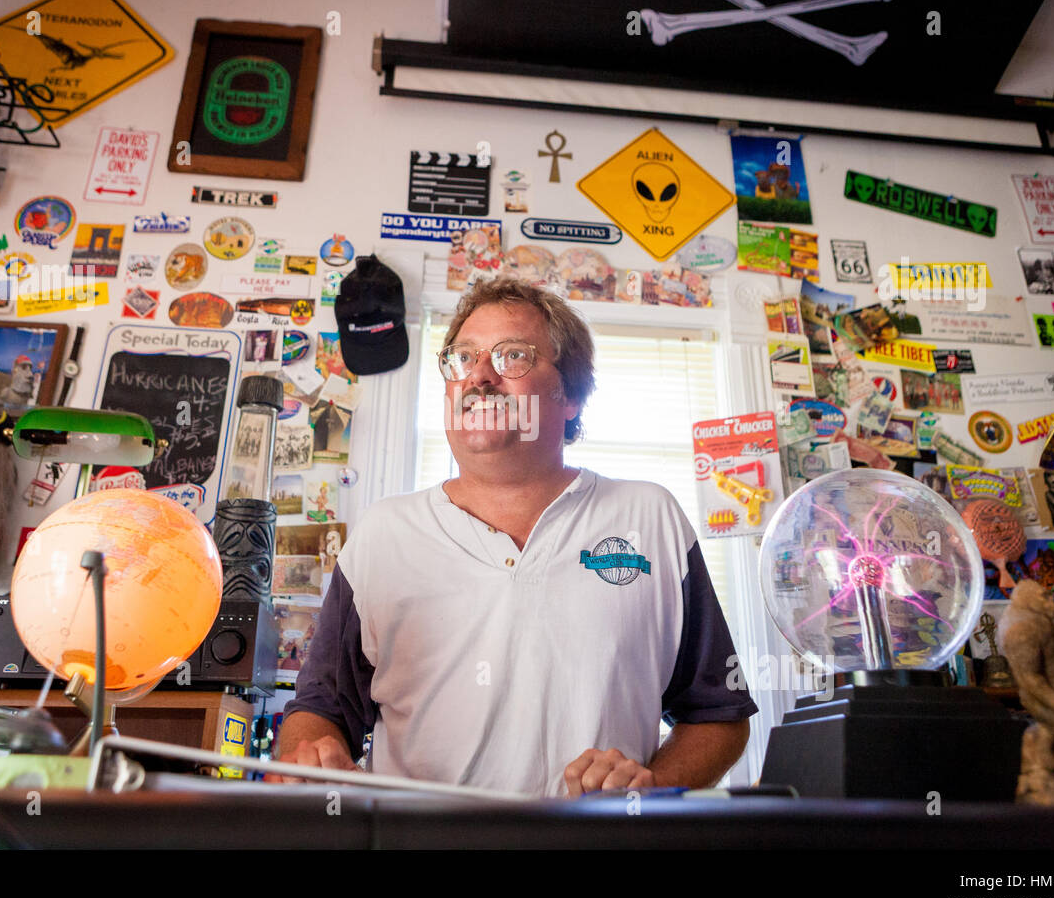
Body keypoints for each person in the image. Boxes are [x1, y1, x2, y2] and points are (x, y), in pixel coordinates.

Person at [274, 276, 755, 797]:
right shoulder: (382, 535)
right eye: (462, 358)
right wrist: (313, 753)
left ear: (570, 395)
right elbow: (321, 709)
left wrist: (649, 787)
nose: (479, 376)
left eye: (512, 357)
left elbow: (718, 716)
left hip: (595, 846)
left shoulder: (650, 517)